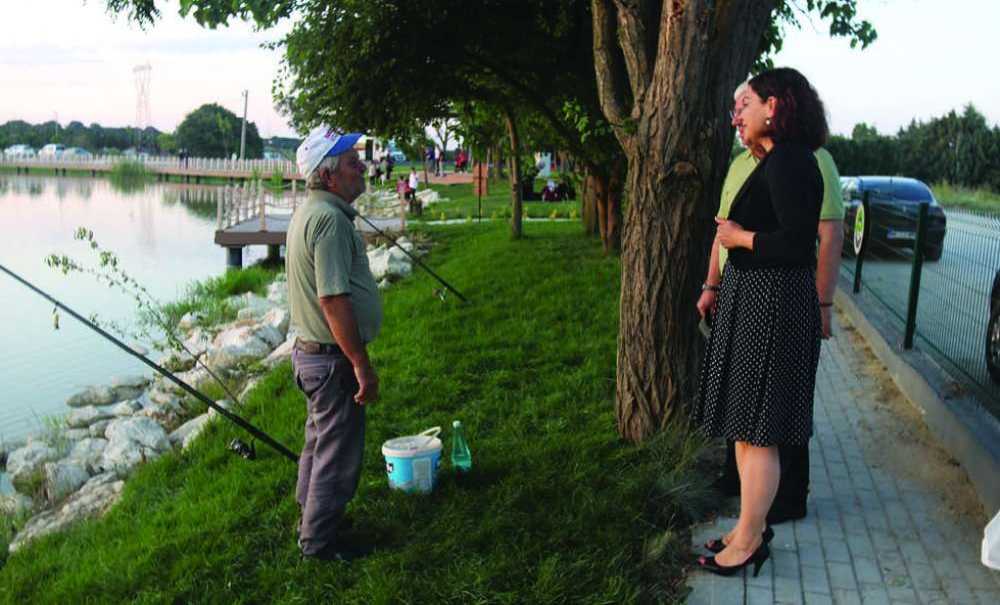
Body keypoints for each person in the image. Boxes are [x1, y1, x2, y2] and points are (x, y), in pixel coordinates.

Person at [693, 67, 829, 577]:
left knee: (760, 430)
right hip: (756, 302)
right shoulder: (774, 159)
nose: (738, 116)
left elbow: (798, 243)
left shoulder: (791, 160)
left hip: (772, 307)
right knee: (746, 428)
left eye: (745, 104)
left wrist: (740, 238)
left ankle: (749, 542)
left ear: (774, 106)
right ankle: (747, 528)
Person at [287, 125, 382, 563]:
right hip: (330, 360)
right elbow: (332, 299)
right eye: (351, 162)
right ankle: (320, 545)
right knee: (336, 455)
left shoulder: (313, 211)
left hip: (313, 356)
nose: (361, 166)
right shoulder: (327, 220)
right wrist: (360, 362)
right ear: (327, 176)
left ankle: (311, 520)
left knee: (319, 444)